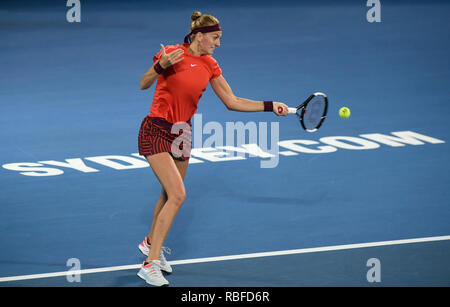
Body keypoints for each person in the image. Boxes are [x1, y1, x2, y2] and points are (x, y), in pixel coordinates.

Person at [136, 11, 288, 286]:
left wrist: (270, 105)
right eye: (215, 38)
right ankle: (150, 264)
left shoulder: (210, 65)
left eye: (219, 38)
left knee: (168, 193)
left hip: (182, 133)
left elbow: (232, 100)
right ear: (199, 35)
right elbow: (143, 83)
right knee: (179, 195)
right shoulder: (172, 53)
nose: (218, 43)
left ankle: (150, 244)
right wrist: (161, 65)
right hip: (156, 128)